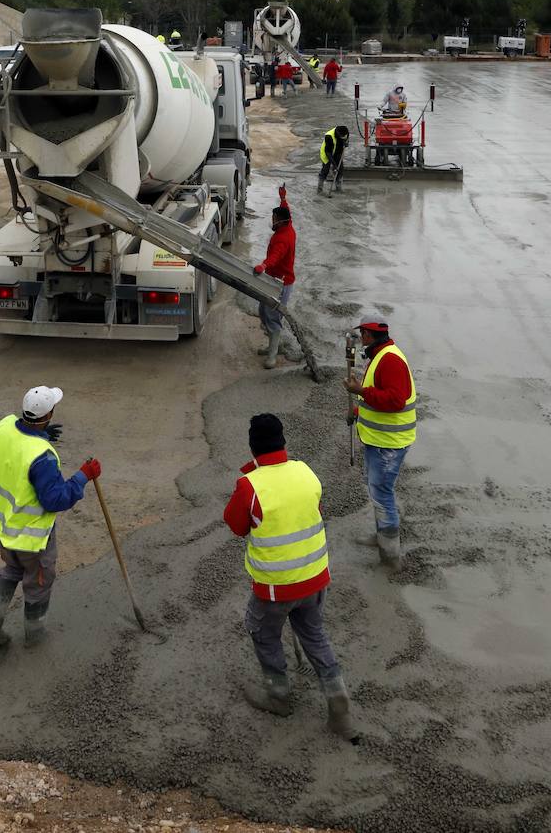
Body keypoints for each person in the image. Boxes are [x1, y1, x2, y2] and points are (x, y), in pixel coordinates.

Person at [223, 413, 356, 738]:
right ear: (283, 442)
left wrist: (250, 476)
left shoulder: (250, 486)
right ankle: (337, 696)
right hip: (314, 578)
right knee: (314, 634)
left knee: (264, 634)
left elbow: (237, 526)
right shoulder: (305, 472)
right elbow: (313, 512)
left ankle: (279, 697)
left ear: (253, 447)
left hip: (274, 590)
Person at [0, 385, 101, 647]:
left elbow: (16, 448)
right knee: (39, 580)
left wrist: (39, 435)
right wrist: (83, 476)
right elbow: (55, 499)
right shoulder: (43, 458)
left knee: (12, 569)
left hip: (1, 524)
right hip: (30, 537)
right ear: (49, 414)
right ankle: (35, 636)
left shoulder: (5, 426)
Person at [344, 320, 416, 570]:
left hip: (390, 443)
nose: (359, 338)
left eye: (361, 334)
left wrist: (361, 391)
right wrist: (358, 409)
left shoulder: (390, 360)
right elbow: (380, 395)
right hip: (380, 439)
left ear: (367, 334)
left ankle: (391, 555)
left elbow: (395, 400)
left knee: (382, 493)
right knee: (377, 490)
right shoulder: (380, 355)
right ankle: (382, 536)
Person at [253, 189, 296, 369]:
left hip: (281, 282)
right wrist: (283, 198)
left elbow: (275, 257)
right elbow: (286, 210)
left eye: (273, 219)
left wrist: (263, 266)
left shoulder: (282, 239)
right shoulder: (288, 225)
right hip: (274, 278)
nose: (272, 221)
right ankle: (272, 345)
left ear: (279, 221)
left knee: (272, 315)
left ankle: (273, 355)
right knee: (263, 310)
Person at [317, 125, 349, 194]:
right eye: (341, 136)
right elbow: (328, 152)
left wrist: (346, 143)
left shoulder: (345, 132)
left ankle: (338, 187)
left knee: (340, 169)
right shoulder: (329, 136)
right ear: (338, 133)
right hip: (327, 153)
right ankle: (319, 189)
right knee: (325, 170)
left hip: (337, 152)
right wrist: (334, 165)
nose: (343, 137)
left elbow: (347, 139)